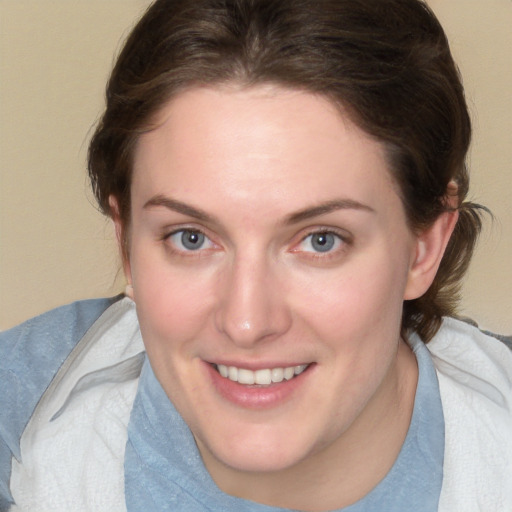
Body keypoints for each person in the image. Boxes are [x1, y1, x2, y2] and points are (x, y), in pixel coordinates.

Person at [1, 0, 511, 510]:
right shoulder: (19, 407)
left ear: (424, 248)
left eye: (321, 240)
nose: (247, 322)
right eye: (191, 238)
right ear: (127, 244)